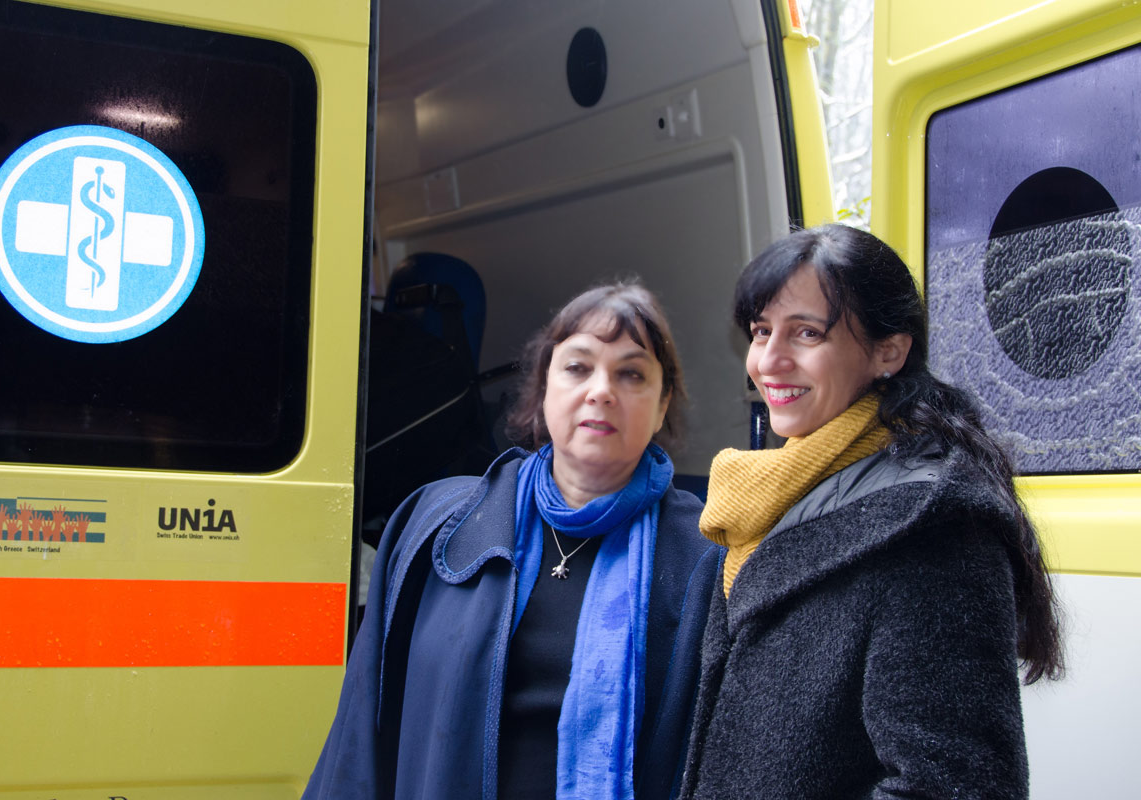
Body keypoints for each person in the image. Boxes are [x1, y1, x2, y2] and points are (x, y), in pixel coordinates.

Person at [679, 225, 1063, 800]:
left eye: (807, 333)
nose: (769, 361)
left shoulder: (933, 526)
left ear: (890, 351)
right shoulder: (770, 491)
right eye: (762, 332)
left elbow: (956, 786)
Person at [305, 281, 722, 800]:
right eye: (577, 367)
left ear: (662, 407)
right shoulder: (435, 524)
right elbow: (360, 738)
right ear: (545, 388)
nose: (601, 390)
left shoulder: (707, 561)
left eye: (631, 373)